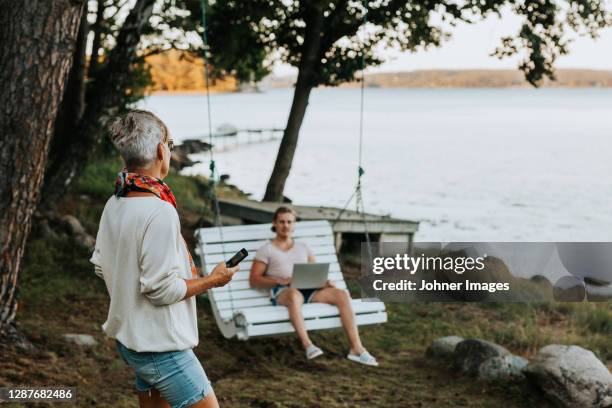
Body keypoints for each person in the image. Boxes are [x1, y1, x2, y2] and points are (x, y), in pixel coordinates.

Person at [90, 109, 238, 408]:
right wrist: (213, 280)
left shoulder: (115, 201)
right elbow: (161, 289)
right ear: (161, 150)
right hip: (160, 347)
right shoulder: (159, 211)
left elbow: (100, 266)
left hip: (133, 341)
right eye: (170, 145)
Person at [249, 207, 378, 366]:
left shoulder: (303, 247)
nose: (286, 225)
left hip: (308, 289)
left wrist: (325, 282)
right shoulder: (266, 249)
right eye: (282, 222)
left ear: (294, 225)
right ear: (274, 224)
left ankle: (356, 348)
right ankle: (308, 345)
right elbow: (254, 280)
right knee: (294, 294)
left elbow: (314, 272)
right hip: (284, 291)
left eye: (289, 222)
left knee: (341, 294)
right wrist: (279, 281)